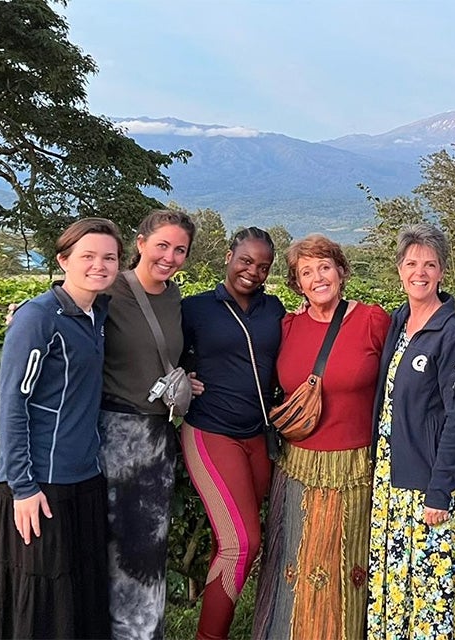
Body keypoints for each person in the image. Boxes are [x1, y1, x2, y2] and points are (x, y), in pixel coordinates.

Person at [0, 218, 122, 639]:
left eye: (109, 257)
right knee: (40, 603)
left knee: (80, 595)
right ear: (63, 260)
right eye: (88, 256)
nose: (99, 265)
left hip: (85, 477)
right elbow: (12, 405)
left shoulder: (96, 314)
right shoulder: (37, 318)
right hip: (40, 484)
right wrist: (23, 488)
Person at [252, 234, 390, 640]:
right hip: (297, 467)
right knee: (293, 562)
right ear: (297, 283)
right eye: (306, 272)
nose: (318, 278)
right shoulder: (288, 326)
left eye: (324, 267)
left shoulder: (371, 320)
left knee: (348, 566)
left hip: (353, 466)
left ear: (341, 272)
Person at [367, 222, 455, 639]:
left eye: (430, 264)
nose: (420, 271)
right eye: (412, 262)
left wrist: (440, 490)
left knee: (430, 595)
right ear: (399, 269)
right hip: (391, 480)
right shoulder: (399, 324)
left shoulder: (452, 335)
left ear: (443, 272)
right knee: (398, 588)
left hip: (429, 484)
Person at [179, 227, 285, 640]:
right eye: (246, 261)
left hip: (258, 438)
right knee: (242, 542)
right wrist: (182, 375)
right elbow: (159, 351)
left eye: (263, 266)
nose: (252, 271)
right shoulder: (195, 309)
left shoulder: (274, 309)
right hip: (212, 432)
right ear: (228, 256)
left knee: (231, 540)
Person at [98, 208, 195, 640]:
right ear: (140, 243)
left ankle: (140, 632)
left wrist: (182, 380)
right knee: (108, 547)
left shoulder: (174, 298)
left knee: (147, 550)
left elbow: (163, 358)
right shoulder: (108, 290)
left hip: (157, 438)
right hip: (110, 435)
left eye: (180, 250)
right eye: (162, 245)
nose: (170, 257)